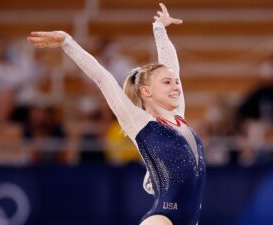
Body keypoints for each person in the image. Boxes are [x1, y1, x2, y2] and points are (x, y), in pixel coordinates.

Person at [27, 3, 206, 225]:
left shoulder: (179, 115)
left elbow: (170, 63)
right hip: (163, 219)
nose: (176, 86)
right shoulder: (140, 122)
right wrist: (67, 42)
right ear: (146, 91)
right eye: (167, 83)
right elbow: (103, 79)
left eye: (176, 82)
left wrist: (159, 28)